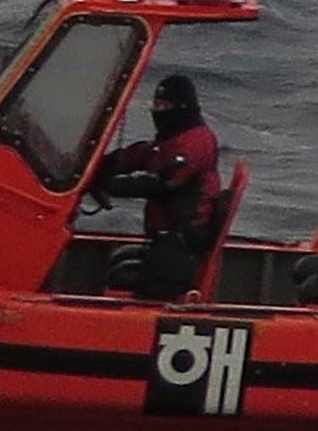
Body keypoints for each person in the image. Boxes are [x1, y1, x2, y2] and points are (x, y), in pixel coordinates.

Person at [83, 72, 227, 298]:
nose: (158, 111)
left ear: (181, 107)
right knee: (120, 264)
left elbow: (163, 183)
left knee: (129, 277)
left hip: (181, 241)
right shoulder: (170, 140)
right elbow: (141, 155)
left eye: (165, 105)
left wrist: (111, 186)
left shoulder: (194, 143)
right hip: (165, 238)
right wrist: (97, 166)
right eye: (157, 105)